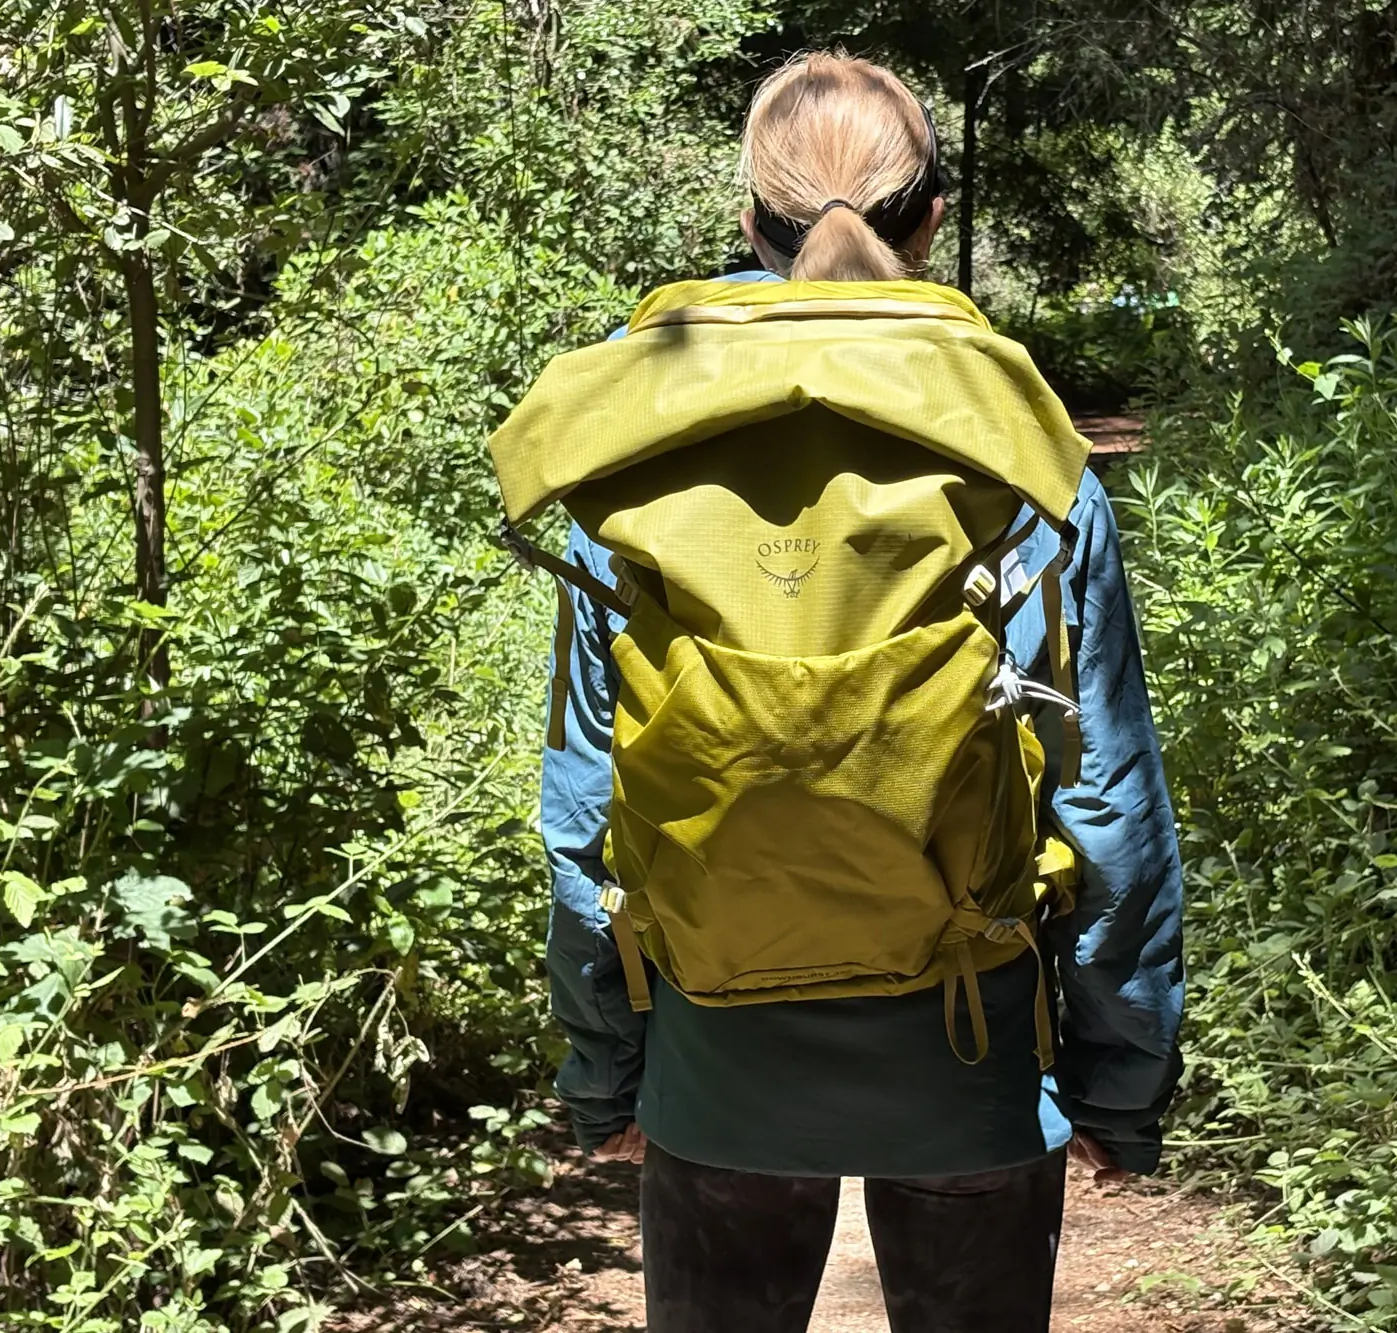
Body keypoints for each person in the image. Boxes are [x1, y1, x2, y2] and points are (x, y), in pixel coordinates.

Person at [531, 52, 1184, 1333]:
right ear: (930, 221)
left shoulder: (643, 459)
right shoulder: (1015, 453)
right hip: (969, 1061)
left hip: (714, 1057)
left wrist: (607, 1075)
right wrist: (1118, 1087)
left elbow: (580, 812)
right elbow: (1105, 799)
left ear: (746, 225)